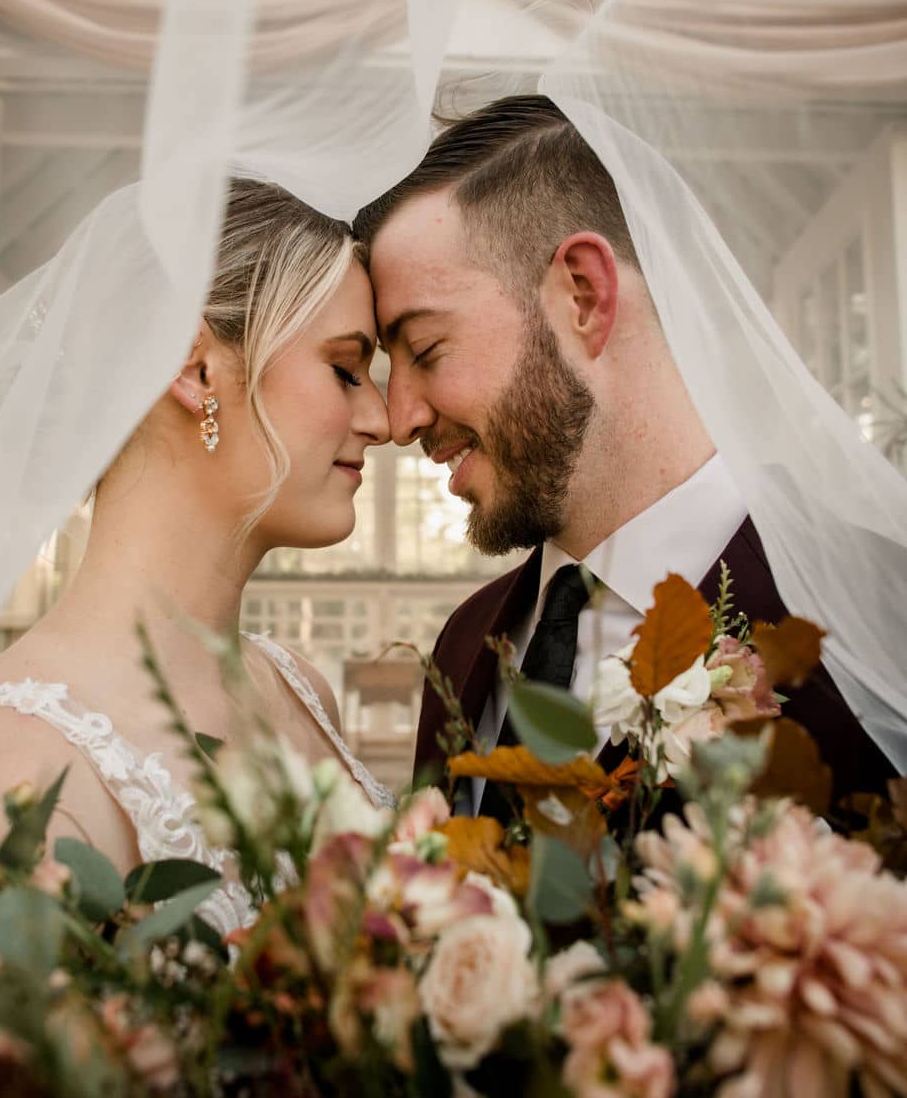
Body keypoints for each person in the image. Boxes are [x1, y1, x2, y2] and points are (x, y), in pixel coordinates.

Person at [0, 178, 394, 959]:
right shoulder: (6, 778)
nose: (383, 421)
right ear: (196, 371)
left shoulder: (298, 685)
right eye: (346, 369)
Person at [355, 94, 894, 813]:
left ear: (583, 294)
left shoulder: (876, 610)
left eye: (425, 349)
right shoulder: (464, 644)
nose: (399, 419)